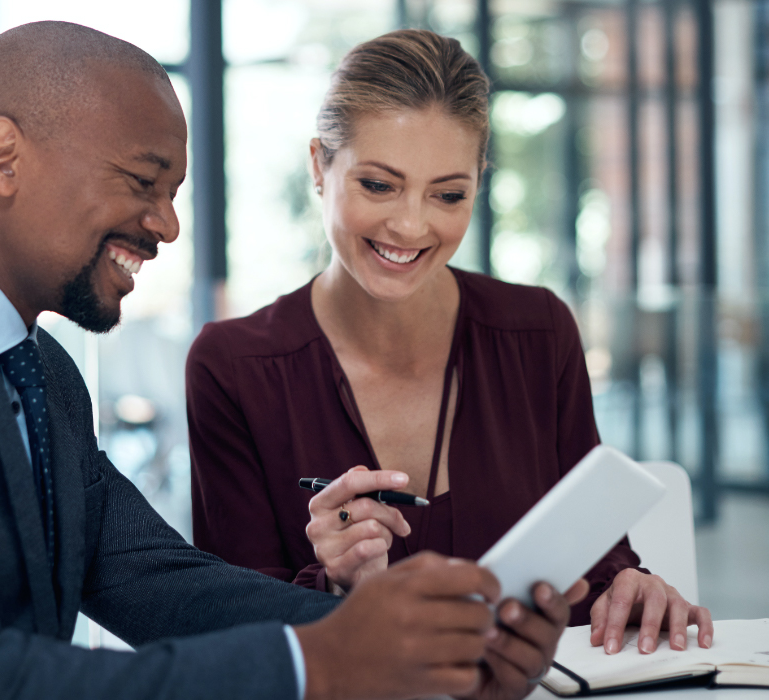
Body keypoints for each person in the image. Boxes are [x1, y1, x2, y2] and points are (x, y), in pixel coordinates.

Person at [0, 20, 563, 700]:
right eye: (143, 182)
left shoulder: (45, 375)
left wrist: (422, 644)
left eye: (173, 193)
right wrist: (319, 666)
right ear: (4, 156)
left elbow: (156, 581)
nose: (166, 225)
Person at [188, 28, 713, 666]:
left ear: (478, 184)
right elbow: (230, 635)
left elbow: (594, 561)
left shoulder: (538, 332)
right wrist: (333, 585)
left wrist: (632, 586)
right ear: (319, 166)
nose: (411, 225)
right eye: (379, 185)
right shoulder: (234, 368)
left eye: (448, 194)